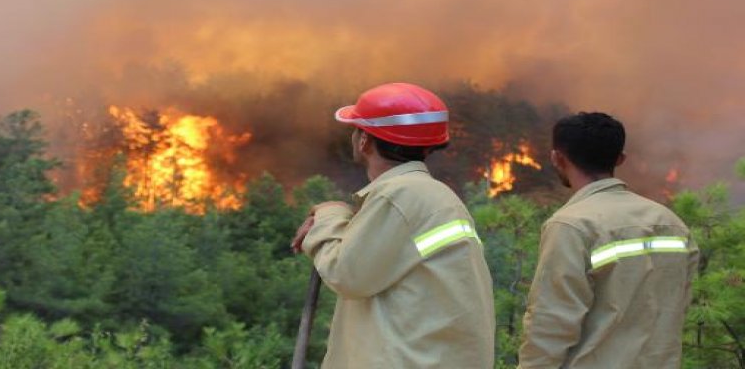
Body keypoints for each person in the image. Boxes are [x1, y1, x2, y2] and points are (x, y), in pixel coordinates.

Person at [291, 82, 495, 368]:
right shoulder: (435, 197)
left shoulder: (399, 197)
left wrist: (329, 215)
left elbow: (346, 273)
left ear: (364, 141)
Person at [518, 112, 699, 368]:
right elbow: (678, 306)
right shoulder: (671, 223)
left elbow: (550, 324)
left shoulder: (571, 226)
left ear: (557, 158)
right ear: (619, 159)